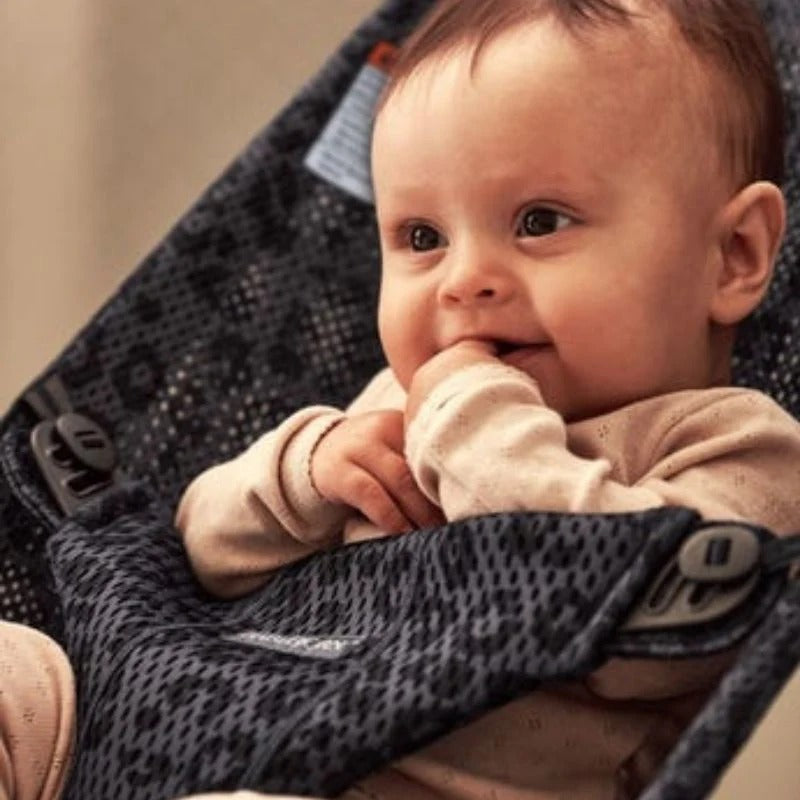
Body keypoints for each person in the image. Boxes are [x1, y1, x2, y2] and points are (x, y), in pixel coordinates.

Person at [4, 1, 798, 799]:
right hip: (153, 712)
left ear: (733, 255)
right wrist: (303, 473)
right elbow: (201, 555)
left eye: (539, 221)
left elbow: (637, 629)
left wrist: (478, 427)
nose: (463, 280)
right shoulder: (393, 402)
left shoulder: (735, 448)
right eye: (422, 238)